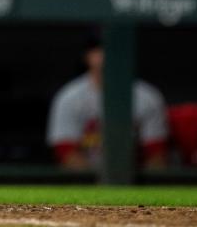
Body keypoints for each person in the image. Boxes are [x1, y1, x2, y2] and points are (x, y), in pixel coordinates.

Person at [47, 34, 168, 170]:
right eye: (99, 50)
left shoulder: (148, 97)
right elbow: (65, 152)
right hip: (84, 182)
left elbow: (156, 154)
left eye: (115, 49)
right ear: (87, 56)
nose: (107, 55)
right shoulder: (69, 97)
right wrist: (98, 187)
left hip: (135, 181)